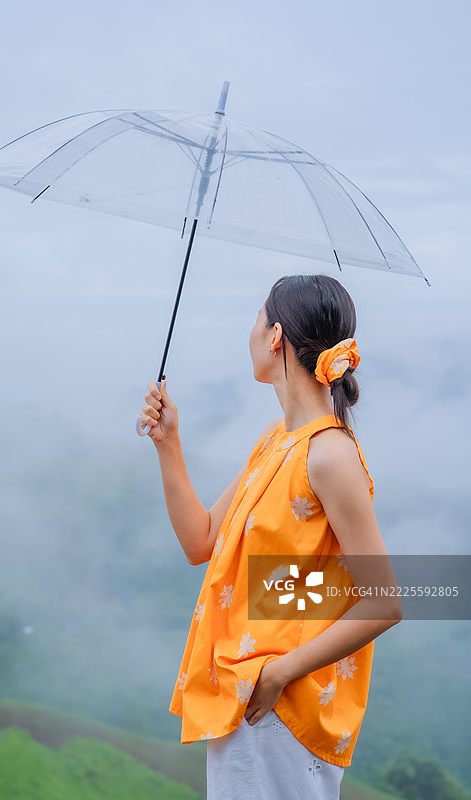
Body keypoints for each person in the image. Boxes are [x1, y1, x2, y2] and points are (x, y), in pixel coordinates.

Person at [139, 273, 402, 800]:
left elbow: (385, 601)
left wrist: (279, 673)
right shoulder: (275, 438)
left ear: (275, 336)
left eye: (256, 321)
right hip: (248, 689)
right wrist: (169, 444)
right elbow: (201, 540)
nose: (251, 334)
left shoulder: (330, 454)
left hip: (285, 704)